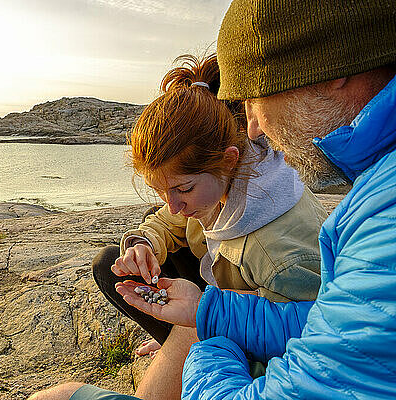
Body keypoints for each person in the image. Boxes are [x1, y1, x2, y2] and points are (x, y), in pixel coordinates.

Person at [30, 0, 396, 399]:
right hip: (229, 310)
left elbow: (303, 362)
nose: (253, 128)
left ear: (328, 69)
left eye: (254, 101)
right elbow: (326, 327)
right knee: (112, 265)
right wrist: (158, 259)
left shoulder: (304, 247)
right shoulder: (372, 190)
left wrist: (203, 342)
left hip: (236, 347)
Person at [91, 54, 326, 374]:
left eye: (183, 189)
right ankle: (180, 336)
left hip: (253, 330)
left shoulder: (281, 256)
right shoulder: (232, 171)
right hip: (219, 295)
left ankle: (183, 343)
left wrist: (198, 348)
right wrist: (144, 243)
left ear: (229, 160)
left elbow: (300, 348)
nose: (172, 204)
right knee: (112, 264)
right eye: (161, 190)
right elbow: (168, 218)